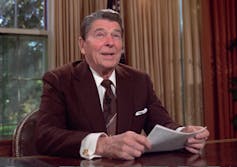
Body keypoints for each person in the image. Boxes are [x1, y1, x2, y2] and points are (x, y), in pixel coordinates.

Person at [35, 9, 209, 160]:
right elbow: (45, 136)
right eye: (100, 34)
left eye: (116, 35)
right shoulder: (59, 80)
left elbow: (161, 125)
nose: (110, 42)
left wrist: (183, 134)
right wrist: (103, 145)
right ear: (82, 45)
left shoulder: (139, 80)